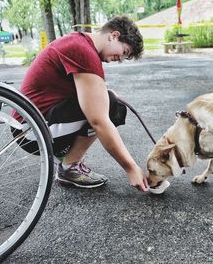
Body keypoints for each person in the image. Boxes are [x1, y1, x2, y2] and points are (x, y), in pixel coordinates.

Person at [14, 16, 149, 191]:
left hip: (31, 123)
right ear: (114, 36)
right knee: (110, 107)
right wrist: (130, 167)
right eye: (123, 52)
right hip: (30, 132)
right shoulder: (83, 51)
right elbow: (98, 121)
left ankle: (68, 160)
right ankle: (70, 167)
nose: (119, 59)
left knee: (108, 99)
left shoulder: (79, 42)